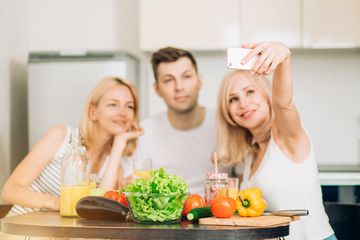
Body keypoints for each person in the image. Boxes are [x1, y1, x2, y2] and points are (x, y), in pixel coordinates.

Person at [216, 41, 336, 239]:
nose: (243, 103)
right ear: (227, 111)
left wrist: (284, 59)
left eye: (250, 92)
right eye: (233, 99)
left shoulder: (287, 137)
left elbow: (284, 104)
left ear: (266, 95)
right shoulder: (249, 155)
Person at [2, 77, 143, 215]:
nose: (123, 113)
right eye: (113, 104)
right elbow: (10, 191)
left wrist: (119, 144)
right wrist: (59, 203)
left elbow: (100, 209)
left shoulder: (114, 166)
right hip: (21, 232)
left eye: (130, 106)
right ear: (92, 112)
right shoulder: (60, 136)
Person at [132, 47, 232, 196]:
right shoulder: (144, 133)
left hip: (219, 214)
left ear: (199, 81)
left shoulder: (228, 122)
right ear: (157, 89)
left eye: (186, 77)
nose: (179, 87)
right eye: (168, 80)